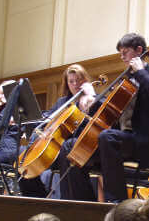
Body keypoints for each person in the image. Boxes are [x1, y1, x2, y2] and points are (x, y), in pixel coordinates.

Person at [57, 33, 149, 202]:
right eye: (120, 52)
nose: (122, 56)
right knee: (70, 147)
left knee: (107, 137)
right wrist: (91, 100)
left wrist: (140, 71)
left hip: (144, 143)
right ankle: (80, 203)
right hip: (118, 144)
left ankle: (116, 202)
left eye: (125, 51)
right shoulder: (125, 81)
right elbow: (108, 111)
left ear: (139, 50)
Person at [19, 64, 96, 197]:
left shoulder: (94, 98)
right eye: (71, 81)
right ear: (67, 84)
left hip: (77, 148)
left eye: (79, 80)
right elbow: (48, 118)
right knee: (22, 157)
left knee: (66, 151)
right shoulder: (63, 102)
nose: (75, 84)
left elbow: (97, 123)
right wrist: (35, 128)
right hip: (54, 146)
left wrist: (92, 97)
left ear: (85, 80)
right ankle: (38, 198)